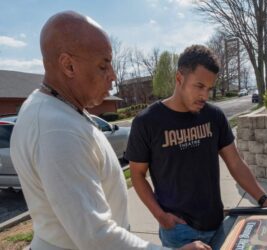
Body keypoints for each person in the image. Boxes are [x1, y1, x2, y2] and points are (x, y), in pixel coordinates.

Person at [10, 11, 209, 250]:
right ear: (68, 65)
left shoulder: (56, 109)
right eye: (104, 66)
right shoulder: (56, 130)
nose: (113, 76)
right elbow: (96, 236)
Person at [125, 44, 267, 248]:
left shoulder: (214, 116)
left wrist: (263, 198)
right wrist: (161, 216)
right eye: (199, 86)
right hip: (179, 231)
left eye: (209, 88)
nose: (205, 95)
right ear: (179, 79)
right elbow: (137, 175)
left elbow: (235, 162)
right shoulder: (147, 122)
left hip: (216, 224)